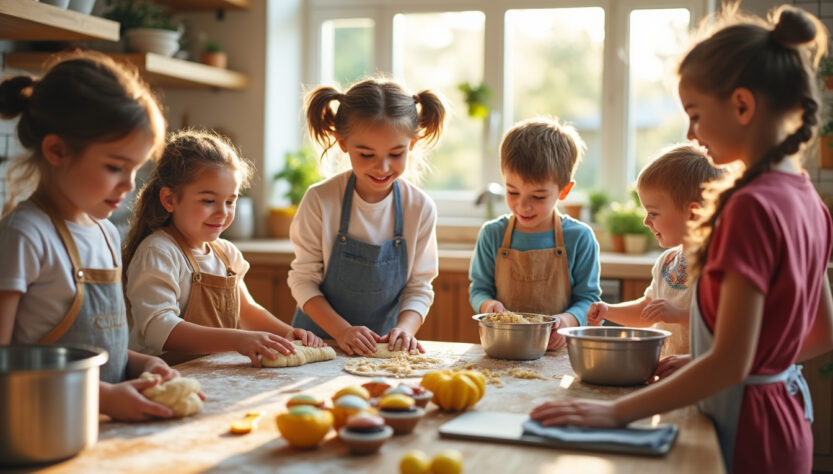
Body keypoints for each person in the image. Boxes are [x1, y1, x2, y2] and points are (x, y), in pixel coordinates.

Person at [530, 5, 833, 474]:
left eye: (694, 114)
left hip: (745, 427)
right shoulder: (807, 198)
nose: (691, 133)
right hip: (787, 418)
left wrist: (614, 413)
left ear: (742, 105)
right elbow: (819, 333)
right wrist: (706, 359)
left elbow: (731, 365)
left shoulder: (747, 207)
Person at [0, 52, 181, 421]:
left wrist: (141, 364)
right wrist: (104, 398)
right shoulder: (26, 236)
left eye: (136, 168)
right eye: (115, 166)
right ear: (56, 150)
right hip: (42, 429)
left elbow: (98, 351)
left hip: (105, 428)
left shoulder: (107, 234)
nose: (129, 185)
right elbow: (4, 362)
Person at [124, 129, 325, 367]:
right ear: (169, 199)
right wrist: (238, 340)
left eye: (231, 201)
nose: (223, 213)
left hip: (212, 373)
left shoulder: (226, 253)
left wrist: (287, 334)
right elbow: (158, 328)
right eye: (209, 201)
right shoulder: (158, 252)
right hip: (167, 376)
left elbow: (247, 311)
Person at [288, 78, 446, 356]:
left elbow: (419, 287)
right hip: (318, 346)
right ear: (343, 143)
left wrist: (405, 331)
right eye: (366, 153)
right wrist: (342, 332)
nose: (382, 167)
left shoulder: (419, 208)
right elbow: (303, 281)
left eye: (396, 153)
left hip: (382, 351)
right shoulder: (320, 201)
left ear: (412, 144)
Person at [469, 117, 601, 350]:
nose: (523, 206)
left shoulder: (579, 238)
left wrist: (567, 321)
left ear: (564, 190)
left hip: (558, 350)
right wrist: (488, 305)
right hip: (503, 346)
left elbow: (588, 299)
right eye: (512, 191)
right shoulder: (492, 234)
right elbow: (479, 289)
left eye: (538, 196)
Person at [587, 144, 724, 355]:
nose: (645, 221)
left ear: (694, 214)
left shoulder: (718, 266)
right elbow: (647, 311)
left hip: (701, 376)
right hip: (667, 372)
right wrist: (608, 310)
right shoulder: (667, 262)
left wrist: (679, 315)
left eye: (653, 213)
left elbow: (725, 326)